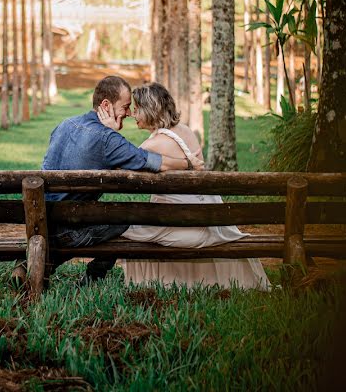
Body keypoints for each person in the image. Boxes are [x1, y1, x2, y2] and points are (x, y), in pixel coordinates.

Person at [18, 76, 196, 288]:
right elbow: (158, 163)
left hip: (42, 221)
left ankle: (28, 266)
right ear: (105, 105)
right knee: (127, 221)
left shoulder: (65, 124)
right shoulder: (108, 140)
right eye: (125, 107)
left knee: (101, 219)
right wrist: (189, 163)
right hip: (70, 231)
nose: (129, 114)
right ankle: (93, 277)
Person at [113, 82, 271, 290]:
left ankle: (143, 282)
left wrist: (113, 130)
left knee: (121, 229)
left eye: (137, 108)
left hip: (184, 225)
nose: (133, 114)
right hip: (207, 219)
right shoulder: (185, 130)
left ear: (150, 109)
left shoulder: (155, 143)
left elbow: (120, 167)